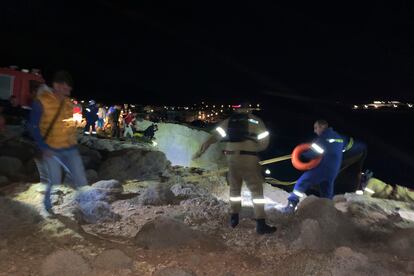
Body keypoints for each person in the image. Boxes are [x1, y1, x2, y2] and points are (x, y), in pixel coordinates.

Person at [194, 102, 276, 234]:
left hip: (232, 158)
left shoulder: (229, 121)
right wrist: (253, 148)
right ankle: (261, 224)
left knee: (234, 188)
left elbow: (214, 136)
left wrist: (202, 150)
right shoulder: (256, 121)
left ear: (237, 110)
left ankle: (234, 218)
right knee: (256, 190)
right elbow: (264, 142)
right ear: (248, 109)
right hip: (249, 158)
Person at [28, 71, 88, 215]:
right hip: (51, 148)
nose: (69, 90)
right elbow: (32, 126)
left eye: (69, 88)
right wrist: (43, 147)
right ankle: (47, 206)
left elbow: (68, 125)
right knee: (54, 179)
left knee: (80, 178)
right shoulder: (41, 101)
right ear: (56, 85)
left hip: (70, 148)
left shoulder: (68, 104)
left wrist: (77, 128)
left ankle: (86, 207)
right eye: (66, 87)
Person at [282, 120, 344, 213]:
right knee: (326, 191)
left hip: (322, 168)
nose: (315, 131)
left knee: (301, 183)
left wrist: (302, 154)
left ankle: (291, 206)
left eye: (316, 128)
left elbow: (314, 153)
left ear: (322, 127)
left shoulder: (323, 138)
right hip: (334, 170)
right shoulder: (339, 138)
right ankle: (327, 211)